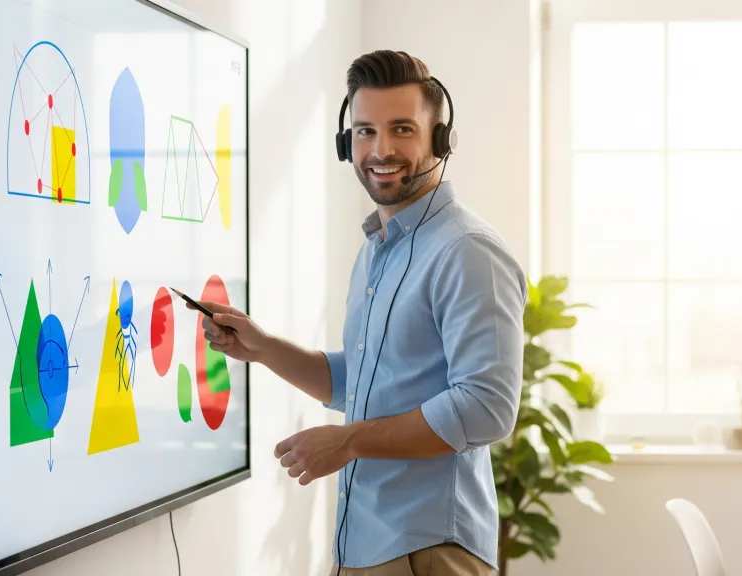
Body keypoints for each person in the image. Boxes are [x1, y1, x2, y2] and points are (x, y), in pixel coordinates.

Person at [193, 50, 527, 576]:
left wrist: (348, 441)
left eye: (402, 130)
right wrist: (264, 348)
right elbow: (369, 381)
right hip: (367, 543)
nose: (382, 149)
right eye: (366, 131)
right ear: (347, 143)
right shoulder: (378, 249)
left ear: (442, 140)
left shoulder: (468, 251)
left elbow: (487, 406)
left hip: (428, 548)